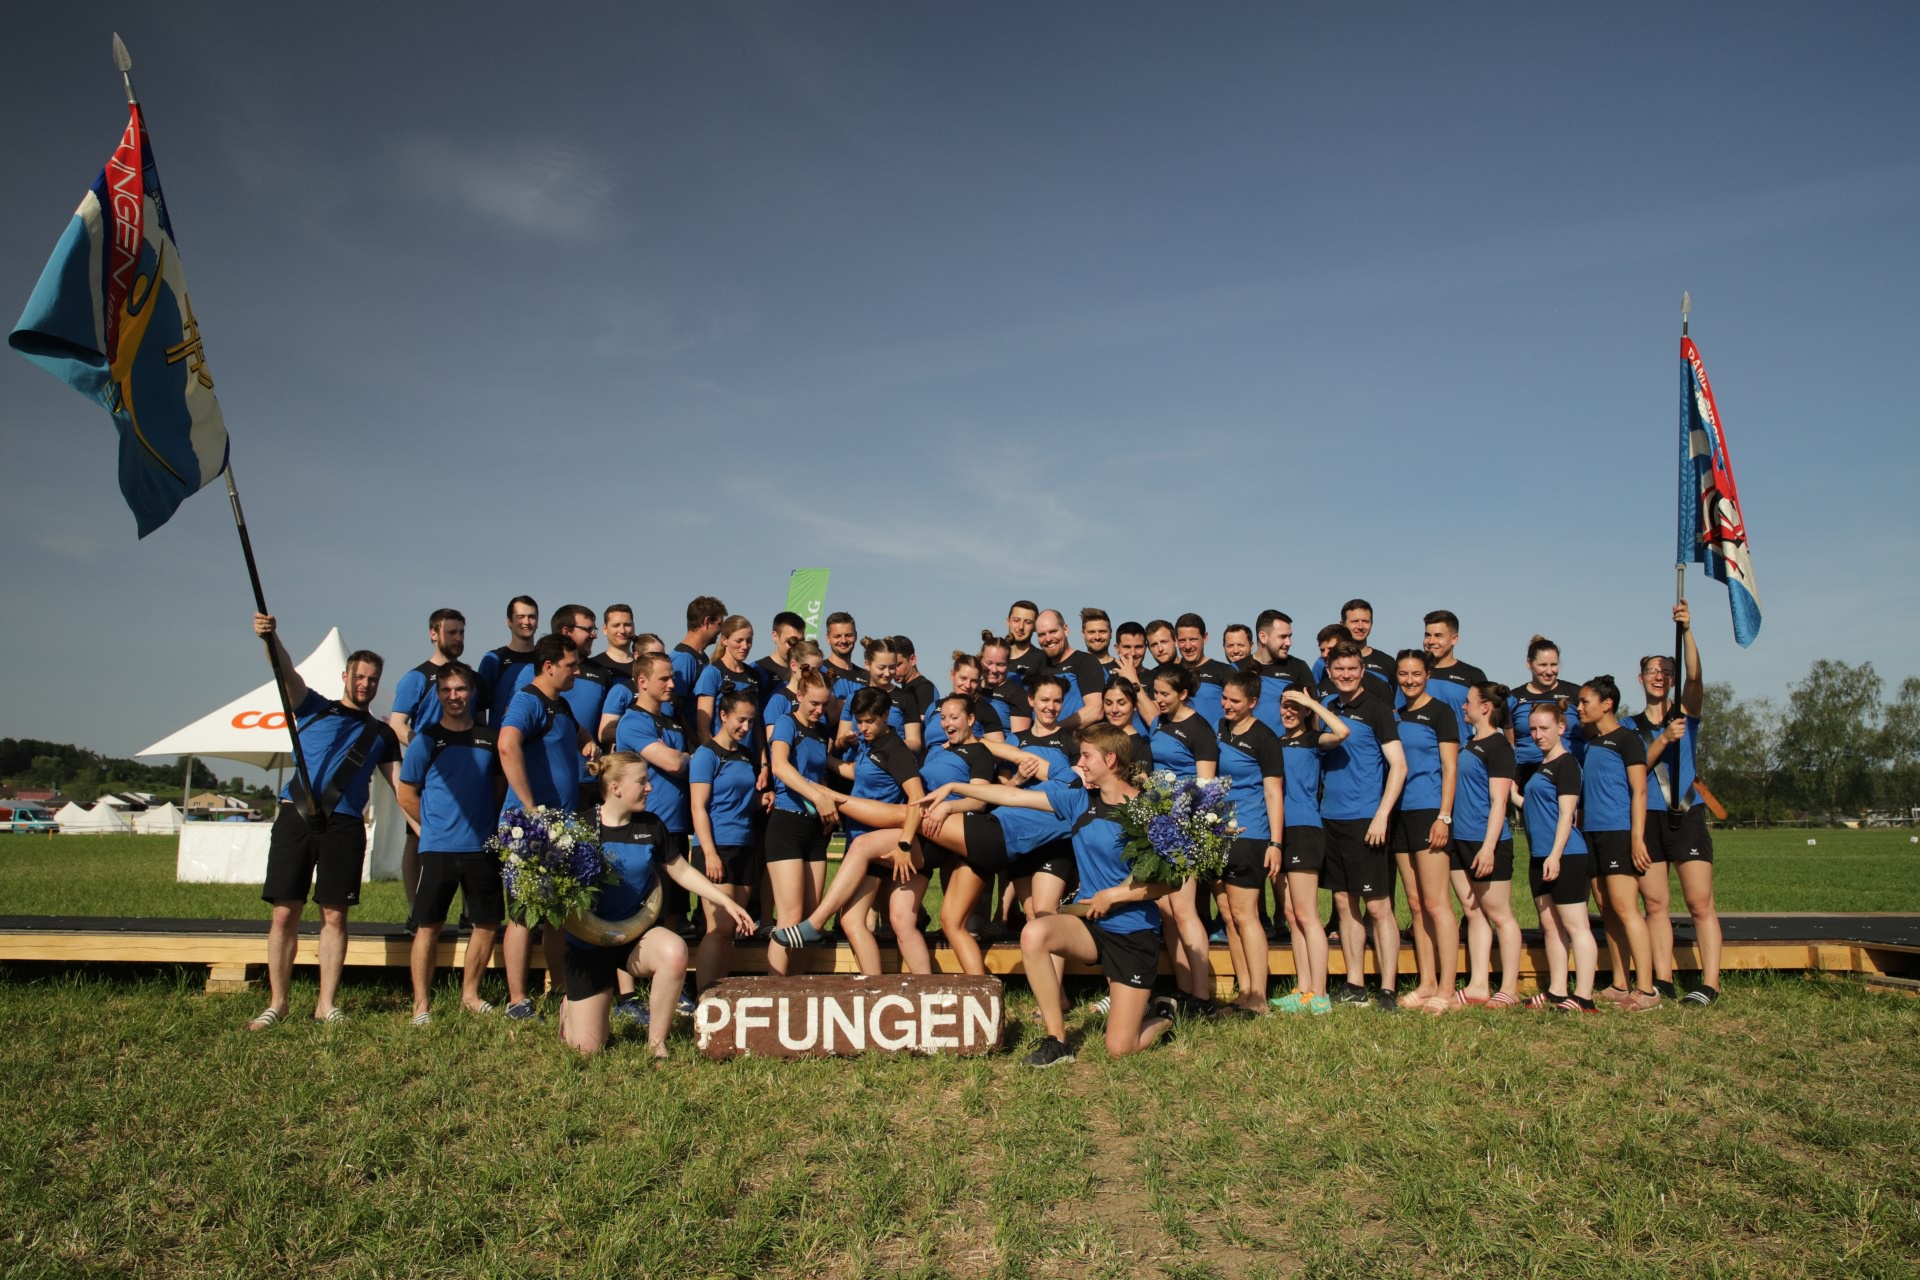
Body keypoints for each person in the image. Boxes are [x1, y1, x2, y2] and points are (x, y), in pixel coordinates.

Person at [924, 725, 1177, 1066]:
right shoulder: (1078, 801)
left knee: (1121, 1048)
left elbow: (1171, 883)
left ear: (1110, 760)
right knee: (1034, 933)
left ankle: (1165, 1015)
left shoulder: (1148, 810)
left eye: (1086, 756)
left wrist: (1115, 896)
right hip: (1091, 925)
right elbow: (1013, 797)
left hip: (1132, 933)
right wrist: (954, 789)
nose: (1080, 763)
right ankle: (1057, 1040)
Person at [245, 612, 399, 1031]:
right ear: (346, 676)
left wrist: (425, 826)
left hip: (345, 826)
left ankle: (326, 1004)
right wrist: (270, 638)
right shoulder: (311, 706)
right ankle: (277, 1003)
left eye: (373, 679)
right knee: (284, 913)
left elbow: (401, 786)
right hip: (295, 818)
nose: (365, 684)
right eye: (360, 676)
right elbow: (285, 672)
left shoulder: (381, 734)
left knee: (335, 916)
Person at [560, 753, 754, 1058]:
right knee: (587, 1049)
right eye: (642, 782)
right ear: (615, 788)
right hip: (588, 944)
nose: (649, 787)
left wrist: (725, 902)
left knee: (674, 951)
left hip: (634, 936)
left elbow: (682, 870)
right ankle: (570, 1010)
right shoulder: (578, 827)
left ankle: (657, 1044)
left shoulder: (651, 826)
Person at [770, 688, 928, 974]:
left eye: (870, 721)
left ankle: (815, 924)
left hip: (877, 845)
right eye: (859, 721)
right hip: (860, 841)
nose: (863, 728)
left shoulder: (895, 750)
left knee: (883, 922)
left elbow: (917, 798)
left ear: (885, 715)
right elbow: (858, 773)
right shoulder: (869, 744)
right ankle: (874, 987)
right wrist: (820, 762)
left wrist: (904, 844)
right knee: (851, 921)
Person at [496, 633, 599, 1020]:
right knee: (524, 913)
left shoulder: (561, 704)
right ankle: (518, 1000)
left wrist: (586, 742)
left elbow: (576, 731)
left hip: (560, 827)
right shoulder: (528, 701)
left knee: (557, 913)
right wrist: (529, 809)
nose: (577, 672)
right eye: (571, 666)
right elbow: (507, 744)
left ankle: (558, 989)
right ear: (549, 666)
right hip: (530, 829)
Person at [395, 663, 504, 1024]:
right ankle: (421, 1004)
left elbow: (498, 789)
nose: (454, 696)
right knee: (428, 925)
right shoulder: (425, 740)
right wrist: (433, 828)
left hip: (482, 848)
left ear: (471, 692)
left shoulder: (490, 738)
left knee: (487, 923)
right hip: (439, 849)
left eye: (460, 689)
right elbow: (406, 794)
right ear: (438, 694)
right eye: (447, 690)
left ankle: (470, 995)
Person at [1633, 599, 1723, 1005]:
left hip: (1686, 815)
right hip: (1648, 818)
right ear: (1641, 679)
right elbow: (1636, 770)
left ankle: (1710, 984)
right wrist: (1663, 740)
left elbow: (1697, 676)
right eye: (1653, 671)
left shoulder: (1686, 713)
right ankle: (1663, 979)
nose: (1660, 676)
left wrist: (1686, 630)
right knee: (1655, 904)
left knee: (1700, 903)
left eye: (1667, 671)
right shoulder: (1629, 727)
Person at [1320, 640, 1408, 1009]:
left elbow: (1399, 766)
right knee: (1344, 903)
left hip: (1366, 820)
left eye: (1352, 669)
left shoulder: (1377, 709)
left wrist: (1382, 815)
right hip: (1331, 818)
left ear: (1362, 671)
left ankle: (1388, 988)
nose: (1346, 675)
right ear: (1329, 672)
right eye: (1339, 669)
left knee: (1378, 906)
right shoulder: (1327, 708)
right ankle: (1355, 983)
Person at [1134, 662, 1221, 1013]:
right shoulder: (1159, 721)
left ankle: (1202, 997)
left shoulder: (1200, 730)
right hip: (1160, 824)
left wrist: (1182, 821)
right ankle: (1184, 988)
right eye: (1155, 693)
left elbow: (1206, 789)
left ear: (1183, 694)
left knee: (1184, 911)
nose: (1158, 699)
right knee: (1166, 909)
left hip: (1186, 828)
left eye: (1165, 694)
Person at [1578, 674, 1659, 1010]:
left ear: (1607, 704)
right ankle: (1620, 983)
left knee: (1626, 908)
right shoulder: (1592, 743)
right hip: (1592, 833)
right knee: (1606, 909)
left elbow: (1639, 791)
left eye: (1585, 702)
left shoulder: (1628, 740)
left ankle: (1647, 990)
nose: (1580, 707)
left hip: (1618, 832)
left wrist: (1637, 838)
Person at [1270, 686, 1349, 1014]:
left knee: (1307, 914)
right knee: (1291, 914)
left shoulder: (1313, 740)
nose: (1288, 712)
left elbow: (1342, 732)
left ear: (1305, 710)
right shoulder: (1275, 743)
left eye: (1295, 706)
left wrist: (1311, 703)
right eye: (1284, 706)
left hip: (1304, 828)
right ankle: (1303, 989)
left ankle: (1320, 993)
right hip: (1278, 832)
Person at [1516, 702, 1598, 1011]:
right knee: (1551, 927)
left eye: (1544, 728)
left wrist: (1555, 855)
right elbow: (1537, 807)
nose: (1538, 735)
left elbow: (1567, 816)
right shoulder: (1542, 765)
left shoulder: (1567, 764)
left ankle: (1584, 997)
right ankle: (1557, 991)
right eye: (1533, 729)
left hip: (1565, 856)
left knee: (1577, 926)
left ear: (1561, 728)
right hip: (1540, 856)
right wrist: (1511, 795)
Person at [612, 652, 696, 952]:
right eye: (664, 678)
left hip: (675, 826)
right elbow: (673, 763)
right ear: (642, 682)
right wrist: (686, 758)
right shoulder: (633, 722)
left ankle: (667, 972)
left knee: (673, 908)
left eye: (672, 677)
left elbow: (686, 760)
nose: (672, 684)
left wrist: (684, 758)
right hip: (646, 825)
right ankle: (633, 978)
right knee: (644, 911)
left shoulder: (671, 720)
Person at [1214, 672, 1285, 1014]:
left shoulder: (1264, 737)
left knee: (1246, 914)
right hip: (1216, 834)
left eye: (1235, 701)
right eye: (1225, 698)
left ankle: (1259, 996)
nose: (1227, 705)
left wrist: (1276, 843)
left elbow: (1273, 792)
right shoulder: (1219, 728)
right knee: (1228, 915)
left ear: (1253, 702)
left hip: (1250, 833)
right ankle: (1243, 992)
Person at [1393, 650, 1459, 1012]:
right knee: (1416, 904)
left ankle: (1447, 988)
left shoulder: (1441, 713)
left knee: (1436, 903)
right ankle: (1427, 982)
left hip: (1429, 811)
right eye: (1403, 674)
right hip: (1400, 814)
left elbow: (1450, 768)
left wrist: (1443, 816)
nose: (1409, 680)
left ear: (1427, 675)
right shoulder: (1396, 715)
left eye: (1416, 673)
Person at [1447, 682, 1521, 1010]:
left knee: (1500, 915)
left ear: (1486, 707)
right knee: (1473, 912)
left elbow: (1499, 801)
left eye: (1468, 702)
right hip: (1459, 839)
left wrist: (1489, 847)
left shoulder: (1499, 747)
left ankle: (1509, 988)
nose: (1464, 707)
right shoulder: (1469, 742)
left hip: (1486, 842)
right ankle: (1478, 985)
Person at [387, 607, 467, 905]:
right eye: (451, 632)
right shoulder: (417, 678)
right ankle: (415, 909)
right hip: (428, 774)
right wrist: (425, 749)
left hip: (465, 771)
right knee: (416, 837)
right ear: (434, 634)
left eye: (461, 632)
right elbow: (397, 724)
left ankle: (469, 912)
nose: (458, 638)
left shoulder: (468, 677)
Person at [688, 691, 764, 992]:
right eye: (740, 720)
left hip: (745, 845)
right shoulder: (706, 755)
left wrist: (763, 799)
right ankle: (704, 995)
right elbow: (698, 807)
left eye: (750, 721)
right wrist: (710, 853)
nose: (746, 727)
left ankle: (721, 995)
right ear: (723, 716)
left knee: (731, 929)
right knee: (718, 928)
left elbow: (744, 799)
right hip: (717, 846)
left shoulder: (746, 755)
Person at [763, 669, 836, 976]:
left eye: (825, 704)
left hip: (814, 828)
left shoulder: (821, 731)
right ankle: (775, 990)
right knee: (790, 917)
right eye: (814, 704)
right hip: (787, 824)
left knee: (810, 919)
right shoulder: (786, 723)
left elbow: (821, 773)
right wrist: (818, 798)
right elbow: (780, 766)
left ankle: (798, 989)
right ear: (800, 696)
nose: (819, 710)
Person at [1508, 635, 1582, 792]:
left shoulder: (1576, 693)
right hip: (1527, 773)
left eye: (1554, 665)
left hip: (1570, 770)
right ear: (1529, 664)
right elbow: (1511, 744)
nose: (1549, 671)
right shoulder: (1513, 698)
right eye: (1543, 665)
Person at [833, 636, 920, 756]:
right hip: (855, 763)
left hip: (889, 762)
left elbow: (915, 743)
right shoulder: (854, 697)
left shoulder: (906, 698)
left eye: (892, 667)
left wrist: (886, 743)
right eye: (881, 668)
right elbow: (838, 744)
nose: (887, 673)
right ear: (867, 664)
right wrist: (845, 740)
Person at [1422, 610, 1488, 743]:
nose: (1431, 641)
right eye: (1428, 635)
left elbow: (1486, 722)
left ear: (1454, 639)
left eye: (1438, 636)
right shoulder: (1412, 675)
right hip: (1419, 754)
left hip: (1459, 752)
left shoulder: (1472, 675)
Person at [1247, 610, 1317, 735]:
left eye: (1289, 636)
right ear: (1263, 637)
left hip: (1286, 745)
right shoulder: (1238, 668)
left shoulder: (1298, 667)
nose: (1289, 643)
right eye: (1282, 637)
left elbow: (1314, 712)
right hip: (1247, 745)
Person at [1034, 609, 1108, 727]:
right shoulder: (1038, 667)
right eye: (1042, 634)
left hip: (1075, 737)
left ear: (1065, 630)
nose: (1048, 639)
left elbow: (1095, 710)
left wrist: (1056, 730)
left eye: (1053, 631)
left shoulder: (1086, 662)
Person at [922, 651, 1006, 750]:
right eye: (963, 678)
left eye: (973, 681)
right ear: (952, 675)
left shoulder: (983, 710)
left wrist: (967, 740)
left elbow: (1000, 749)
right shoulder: (935, 706)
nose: (967, 685)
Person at [475, 595, 540, 725]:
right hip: (500, 734)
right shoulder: (494, 659)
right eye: (521, 616)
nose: (527, 622)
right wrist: (486, 735)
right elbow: (479, 706)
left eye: (531, 617)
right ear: (509, 621)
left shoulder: (545, 658)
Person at [1172, 613, 1240, 727]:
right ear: (1176, 641)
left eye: (1193, 639)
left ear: (1205, 638)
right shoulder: (1170, 674)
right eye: (1182, 640)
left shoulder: (1224, 671)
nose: (1188, 646)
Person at [672, 595, 727, 716]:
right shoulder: (683, 659)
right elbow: (674, 707)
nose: (721, 630)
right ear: (707, 622)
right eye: (719, 624)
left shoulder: (702, 658)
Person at [977, 632, 1034, 738]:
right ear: (981, 660)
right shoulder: (972, 688)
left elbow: (1019, 741)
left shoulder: (1017, 695)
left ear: (1008, 664)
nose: (994, 670)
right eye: (989, 663)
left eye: (1000, 664)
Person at [892, 635, 941, 723]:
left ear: (912, 659)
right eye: (891, 666)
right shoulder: (906, 689)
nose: (893, 671)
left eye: (898, 665)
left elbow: (923, 724)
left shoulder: (924, 688)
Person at [755, 610, 806, 685]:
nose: (797, 647)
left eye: (801, 641)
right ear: (775, 636)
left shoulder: (808, 670)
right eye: (792, 641)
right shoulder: (757, 670)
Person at [591, 604, 638, 682]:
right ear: (605, 629)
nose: (622, 631)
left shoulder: (646, 666)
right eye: (616, 625)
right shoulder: (592, 666)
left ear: (633, 627)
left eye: (627, 625)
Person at [1004, 599, 1045, 688]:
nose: (1021, 627)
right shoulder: (995, 656)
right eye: (1016, 620)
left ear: (1035, 627)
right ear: (1008, 622)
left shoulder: (1042, 659)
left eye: (1028, 622)